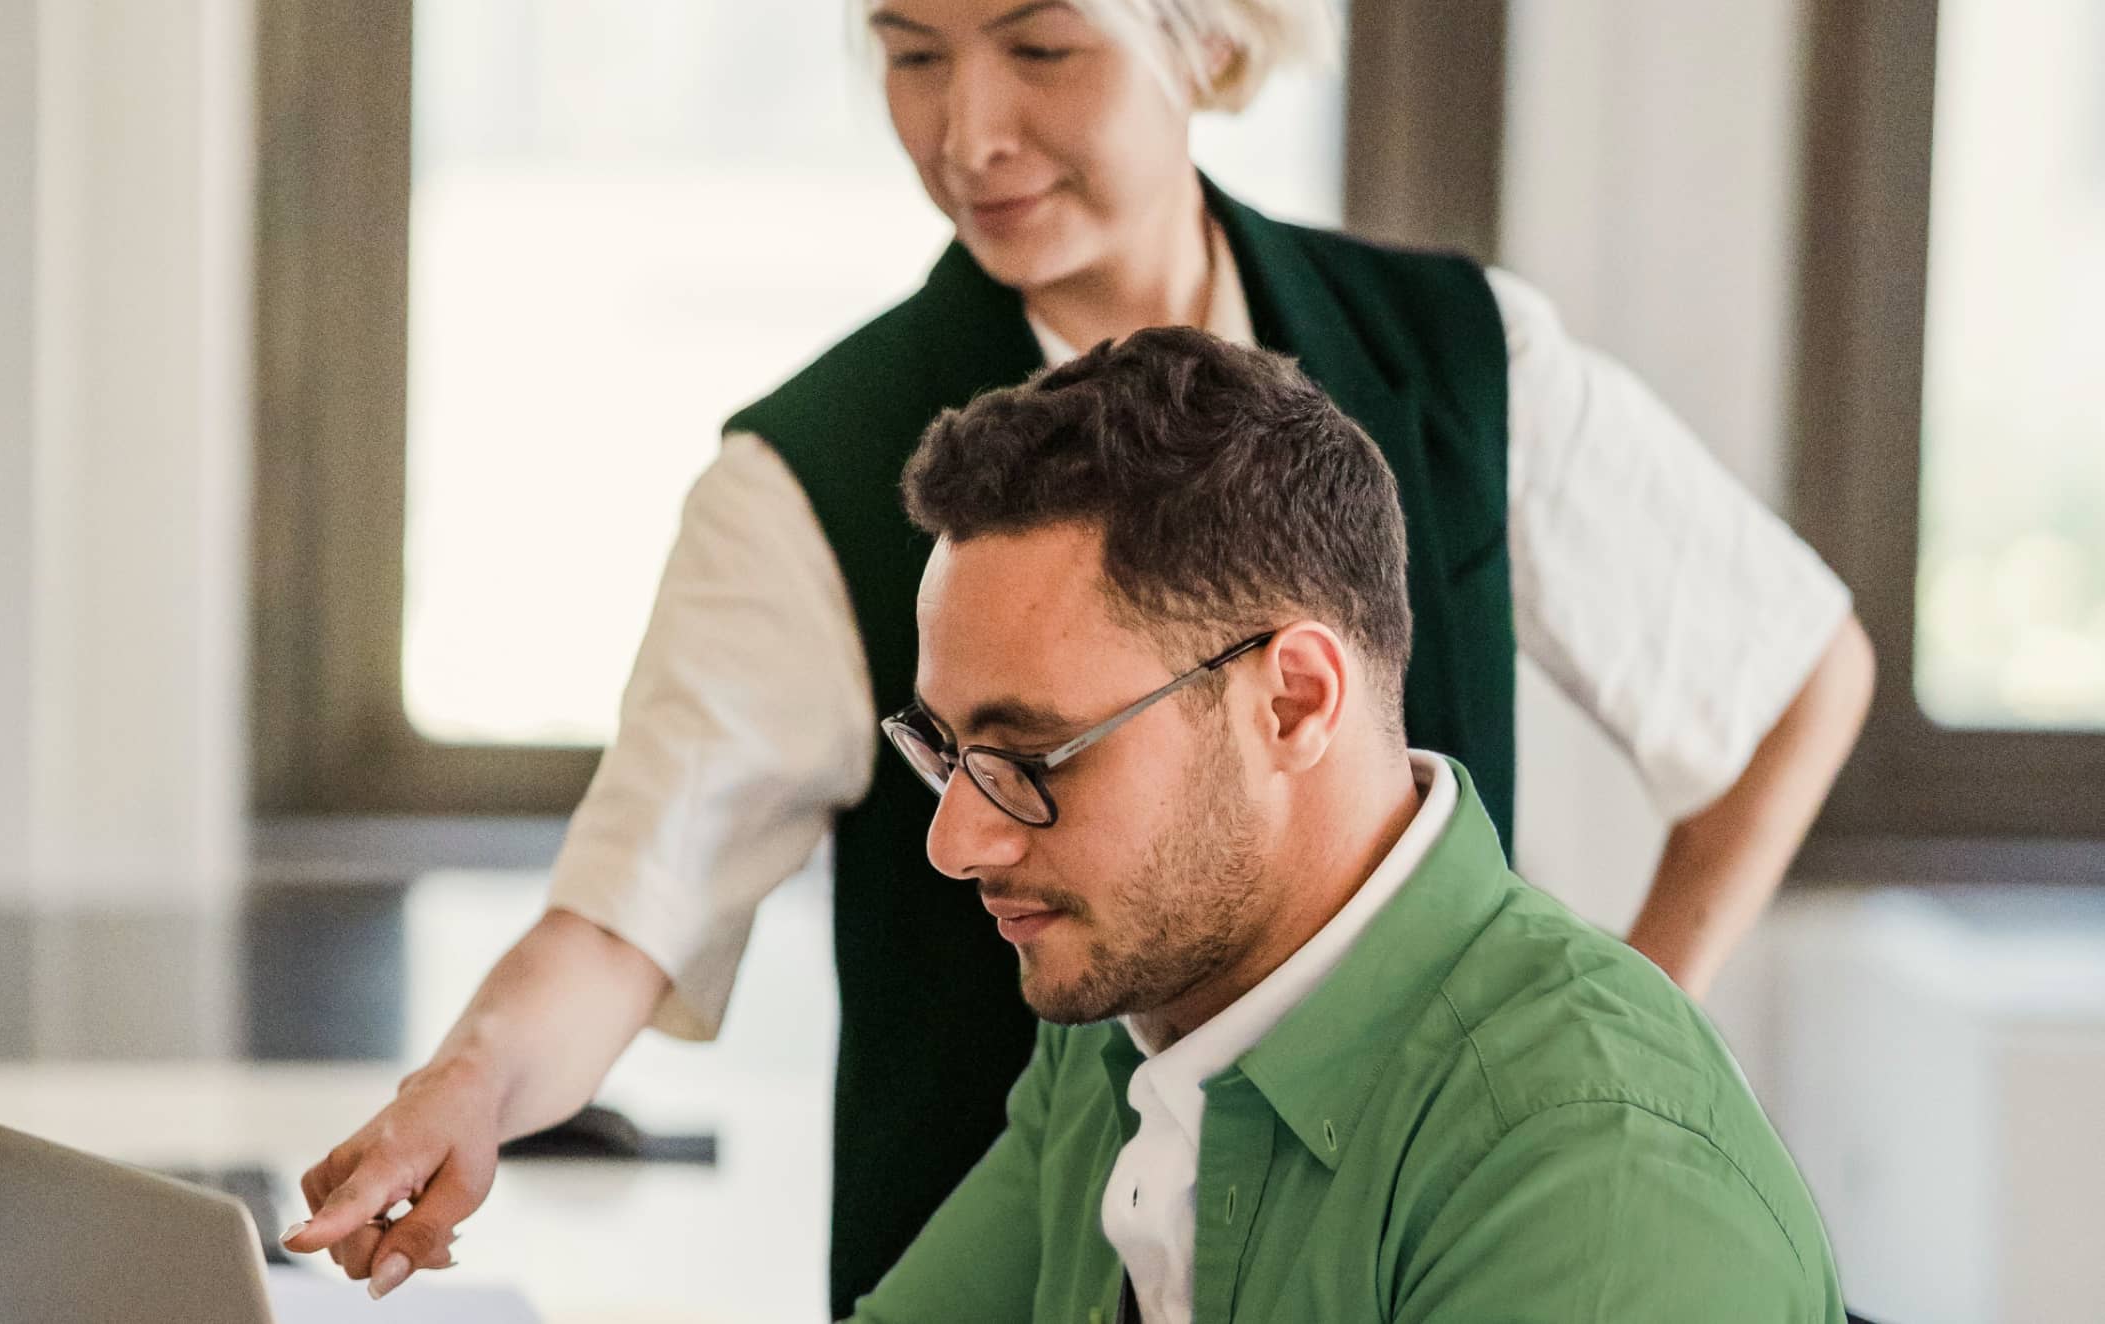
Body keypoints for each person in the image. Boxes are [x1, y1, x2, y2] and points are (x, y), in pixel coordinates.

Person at [284, 0, 1875, 1310]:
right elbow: (631, 907)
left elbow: (1790, 672)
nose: (967, 134)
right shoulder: (815, 478)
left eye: (1040, 48)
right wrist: (474, 1086)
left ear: (1209, 41)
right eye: (911, 56)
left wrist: (1578, 1050)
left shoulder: (1466, 361)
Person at [849, 328, 1844, 1321]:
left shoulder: (1595, 1174)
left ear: (1293, 702)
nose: (957, 840)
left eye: (1032, 755)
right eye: (947, 750)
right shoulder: (1129, 1008)